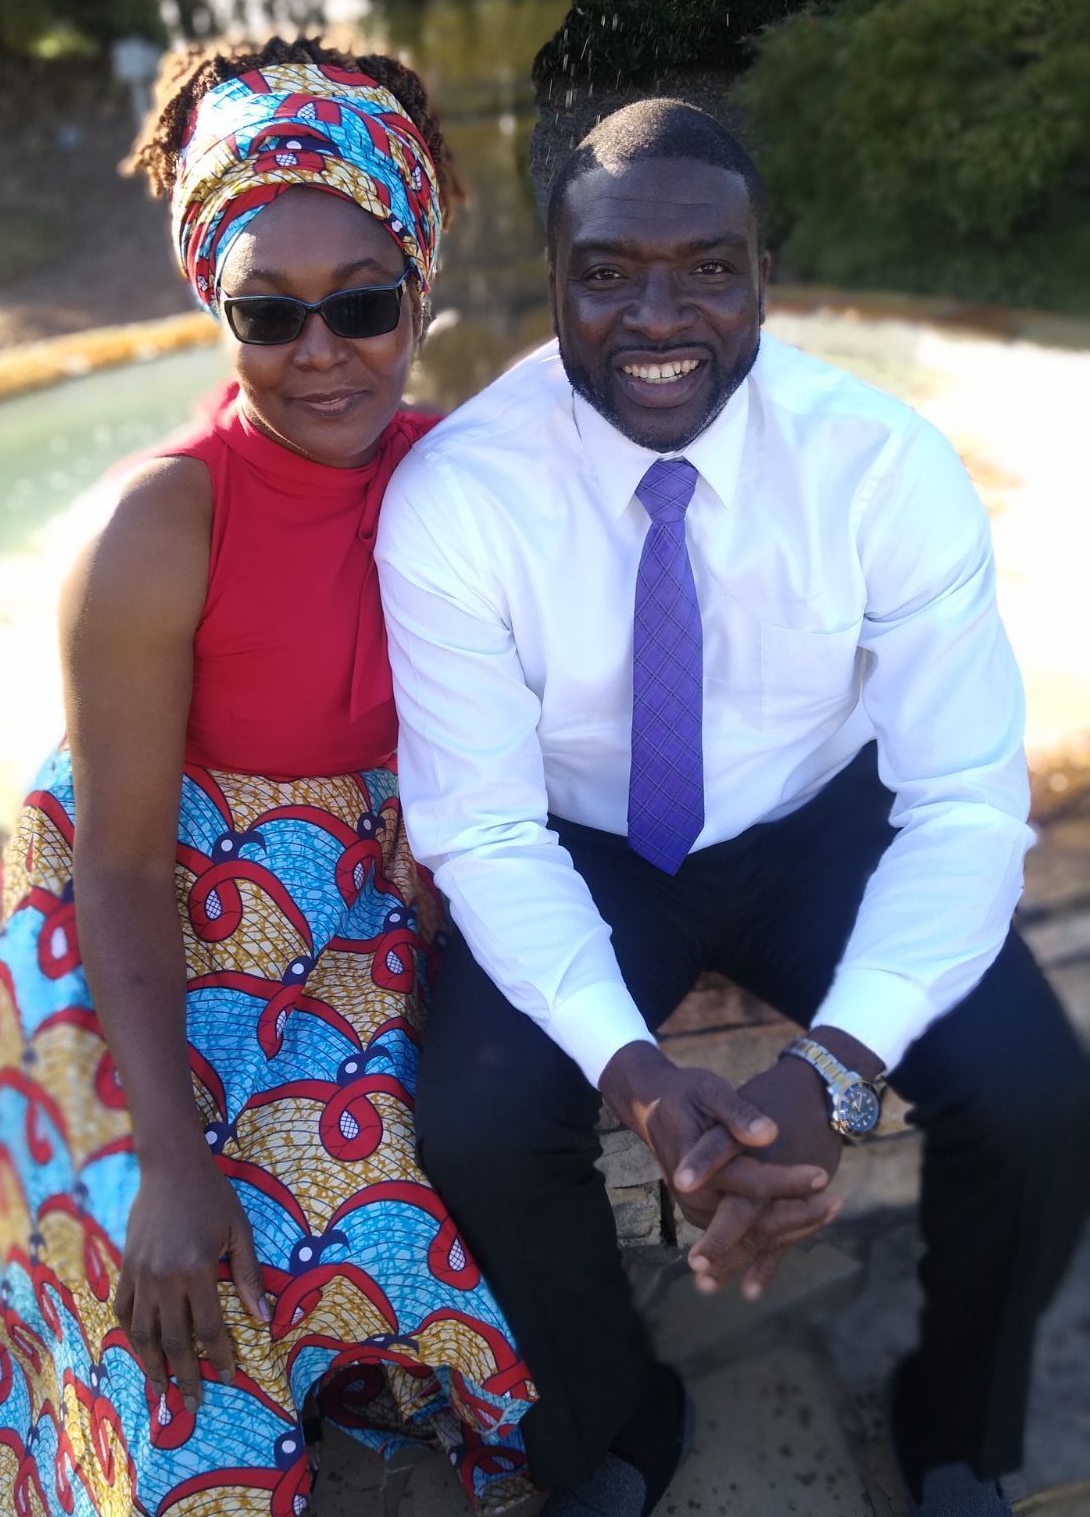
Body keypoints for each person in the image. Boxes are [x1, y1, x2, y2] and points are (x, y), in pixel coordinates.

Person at [375, 98, 1090, 1517]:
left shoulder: (883, 463)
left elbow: (961, 804)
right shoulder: (458, 495)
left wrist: (834, 1071)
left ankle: (957, 1427)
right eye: (610, 273)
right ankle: (616, 1414)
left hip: (822, 818)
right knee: (471, 1119)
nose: (658, 314)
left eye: (708, 267)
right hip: (584, 840)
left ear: (768, 270)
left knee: (1035, 1097)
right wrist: (642, 1085)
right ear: (555, 279)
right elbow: (487, 831)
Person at [0, 37, 534, 1516]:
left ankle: (356, 1376)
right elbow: (115, 864)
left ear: (421, 292)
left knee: (365, 1204)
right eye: (270, 312)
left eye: (363, 305)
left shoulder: (462, 477)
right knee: (173, 1301)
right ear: (216, 309)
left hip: (340, 908)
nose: (322, 352)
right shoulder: (160, 528)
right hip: (141, 908)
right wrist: (168, 1162)